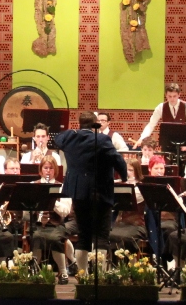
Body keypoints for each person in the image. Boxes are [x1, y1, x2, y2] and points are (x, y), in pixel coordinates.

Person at [50, 111, 131, 278]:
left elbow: (58, 138)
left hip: (78, 192)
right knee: (101, 235)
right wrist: (124, 176)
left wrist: (74, 131)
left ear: (79, 124)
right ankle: (99, 277)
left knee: (84, 235)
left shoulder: (70, 138)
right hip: (100, 193)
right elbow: (118, 160)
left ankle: (83, 276)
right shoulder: (101, 139)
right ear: (96, 124)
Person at [28, 156, 77, 282]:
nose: (48, 171)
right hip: (37, 224)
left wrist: (51, 200)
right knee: (36, 237)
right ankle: (34, 271)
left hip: (55, 225)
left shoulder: (62, 187)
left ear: (55, 170)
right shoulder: (33, 185)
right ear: (41, 170)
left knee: (55, 239)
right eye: (45, 168)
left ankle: (63, 272)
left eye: (51, 168)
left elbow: (65, 212)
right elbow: (26, 210)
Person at [137, 82, 186, 147]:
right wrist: (142, 139)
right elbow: (151, 125)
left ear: (179, 94)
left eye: (174, 96)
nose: (172, 99)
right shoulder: (161, 107)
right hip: (167, 144)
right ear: (166, 95)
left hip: (184, 144)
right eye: (169, 96)